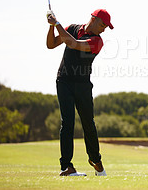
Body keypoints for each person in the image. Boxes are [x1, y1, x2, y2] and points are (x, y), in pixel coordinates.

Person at [46, 9, 113, 176]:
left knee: (88, 123)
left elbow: (73, 43)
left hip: (82, 85)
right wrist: (51, 27)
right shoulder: (72, 28)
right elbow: (51, 44)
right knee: (67, 123)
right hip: (64, 81)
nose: (104, 29)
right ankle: (66, 167)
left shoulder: (97, 41)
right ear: (94, 19)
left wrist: (57, 23)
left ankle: (95, 160)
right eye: (103, 24)